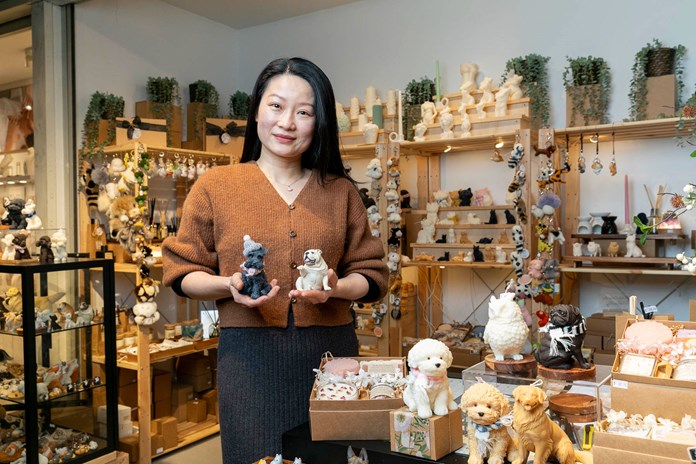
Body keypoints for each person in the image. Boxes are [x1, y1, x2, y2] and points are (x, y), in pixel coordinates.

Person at [162, 57, 388, 463]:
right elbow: (182, 271)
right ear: (256, 110)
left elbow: (371, 275)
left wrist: (335, 288)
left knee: (332, 457)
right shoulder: (216, 185)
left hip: (331, 361)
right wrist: (227, 284)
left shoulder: (339, 192)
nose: (287, 122)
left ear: (318, 124)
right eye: (276, 106)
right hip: (249, 363)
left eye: (304, 112)